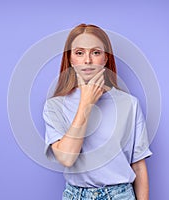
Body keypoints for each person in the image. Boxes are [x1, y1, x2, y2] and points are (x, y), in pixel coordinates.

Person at [43, 24, 152, 200]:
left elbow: (138, 165)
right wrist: (86, 103)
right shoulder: (54, 106)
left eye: (95, 52)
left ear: (105, 58)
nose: (87, 60)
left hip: (120, 195)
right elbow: (67, 158)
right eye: (79, 53)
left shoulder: (129, 104)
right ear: (70, 59)